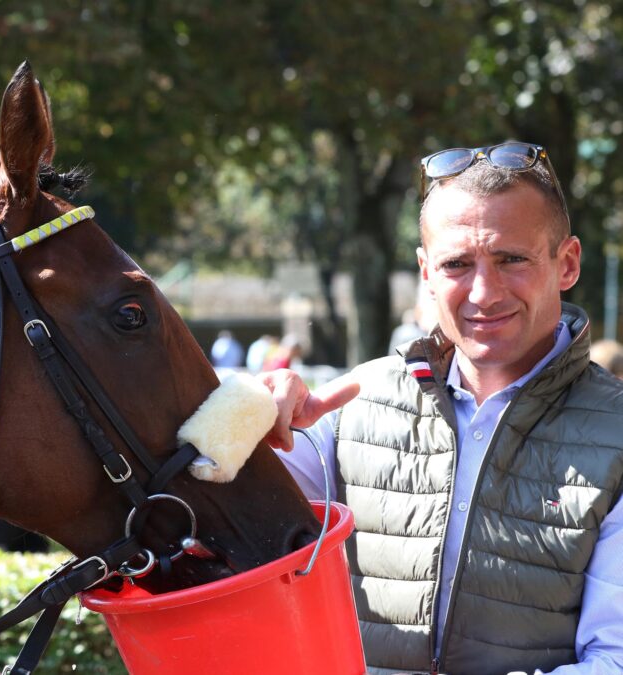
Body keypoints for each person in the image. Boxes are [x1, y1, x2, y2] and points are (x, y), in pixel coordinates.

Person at [260, 143, 623, 674]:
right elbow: (214, 533)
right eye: (457, 264)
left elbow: (614, 657)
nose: (483, 292)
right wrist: (247, 425)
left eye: (511, 259)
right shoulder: (349, 405)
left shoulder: (615, 435)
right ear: (426, 272)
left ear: (566, 264)